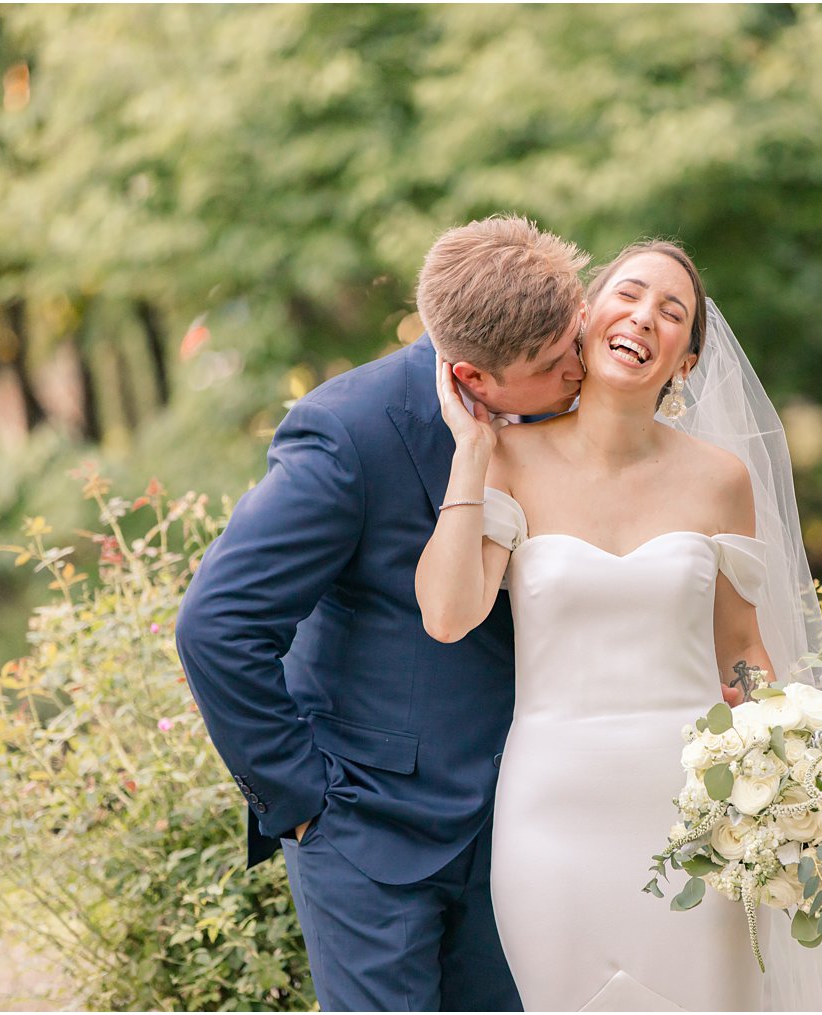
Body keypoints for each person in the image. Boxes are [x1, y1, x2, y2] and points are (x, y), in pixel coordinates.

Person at [417, 241, 822, 1011]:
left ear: (688, 359)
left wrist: (799, 780)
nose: (645, 317)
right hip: (552, 822)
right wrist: (471, 451)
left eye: (672, 313)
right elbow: (447, 613)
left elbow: (741, 652)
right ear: (586, 316)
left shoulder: (719, 480)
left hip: (697, 823)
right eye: (628, 294)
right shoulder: (507, 456)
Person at [174, 215, 589, 1011]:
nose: (581, 364)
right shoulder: (347, 435)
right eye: (554, 360)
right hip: (371, 835)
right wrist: (301, 807)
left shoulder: (580, 418)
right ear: (472, 378)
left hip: (524, 832)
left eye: (574, 338)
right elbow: (217, 624)